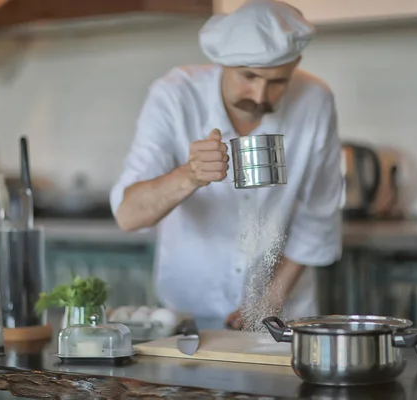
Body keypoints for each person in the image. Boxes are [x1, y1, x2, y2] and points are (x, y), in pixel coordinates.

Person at [109, 0, 343, 329]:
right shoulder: (175, 96)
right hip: (189, 316)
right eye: (248, 75)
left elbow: (317, 217)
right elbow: (128, 215)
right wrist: (189, 176)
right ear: (222, 62)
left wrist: (269, 301)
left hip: (281, 316)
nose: (261, 95)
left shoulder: (315, 101)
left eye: (278, 81)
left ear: (296, 64)